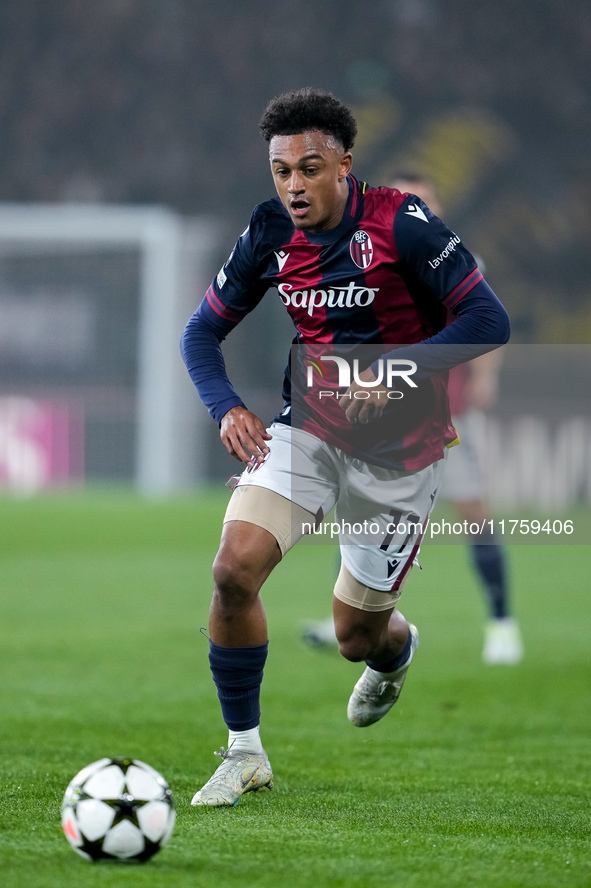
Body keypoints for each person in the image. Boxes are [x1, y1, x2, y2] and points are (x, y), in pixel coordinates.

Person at [181, 89, 510, 807]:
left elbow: (489, 319)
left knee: (357, 636)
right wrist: (226, 405)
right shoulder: (267, 233)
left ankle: (397, 650)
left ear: (344, 165)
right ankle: (244, 753)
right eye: (280, 171)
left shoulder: (404, 225)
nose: (293, 185)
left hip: (399, 455)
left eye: (308, 167)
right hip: (306, 432)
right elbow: (199, 333)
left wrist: (392, 371)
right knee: (233, 570)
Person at [303, 174, 523, 665]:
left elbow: (486, 319)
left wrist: (486, 376)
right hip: (379, 418)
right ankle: (347, 615)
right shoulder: (367, 256)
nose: (411, 207)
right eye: (404, 197)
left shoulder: (454, 256)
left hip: (448, 415)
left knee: (474, 516)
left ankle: (502, 623)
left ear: (438, 206)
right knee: (359, 515)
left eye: (421, 199)